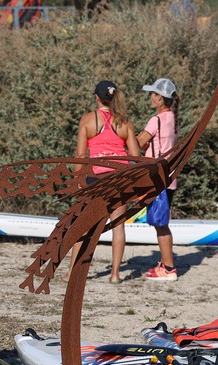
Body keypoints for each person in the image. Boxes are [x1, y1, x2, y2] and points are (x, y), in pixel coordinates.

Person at [65, 80, 141, 283]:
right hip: (119, 179)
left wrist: (76, 180)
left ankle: (73, 272)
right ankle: (115, 275)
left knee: (83, 227)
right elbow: (135, 155)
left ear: (96, 97)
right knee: (118, 227)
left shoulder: (88, 120)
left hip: (95, 179)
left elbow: (80, 155)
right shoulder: (124, 122)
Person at [137, 77, 181, 281]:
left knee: (160, 223)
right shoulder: (173, 120)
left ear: (160, 98)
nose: (150, 97)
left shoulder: (156, 120)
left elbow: (140, 142)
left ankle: (169, 268)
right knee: (161, 222)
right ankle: (166, 264)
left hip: (157, 178)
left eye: (153, 94)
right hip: (170, 177)